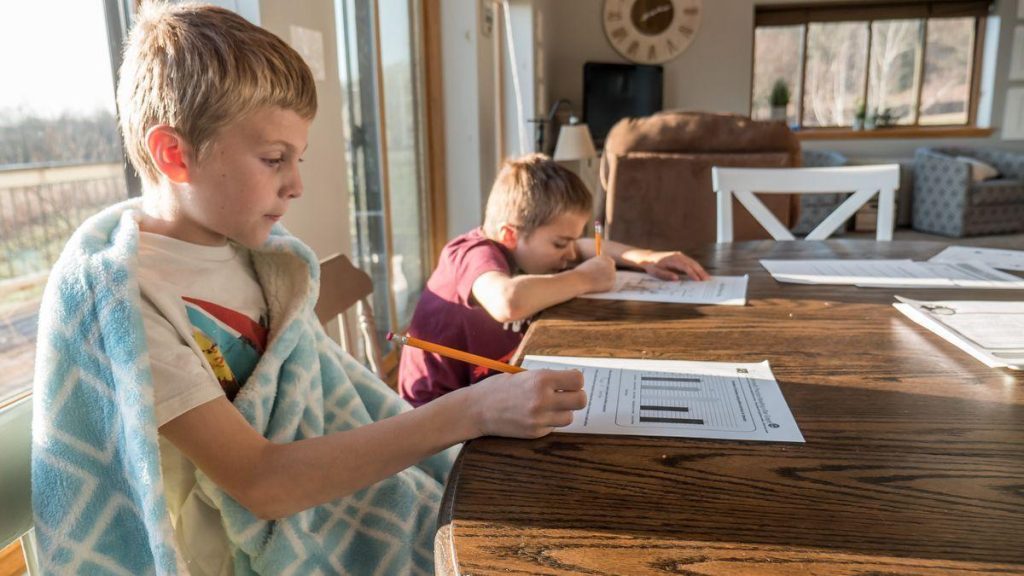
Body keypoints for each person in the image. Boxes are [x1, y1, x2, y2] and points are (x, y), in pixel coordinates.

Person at [31, 4, 584, 575]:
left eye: (297, 158)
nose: (295, 184)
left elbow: (314, 395)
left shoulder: (257, 257)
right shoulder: (127, 300)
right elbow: (262, 483)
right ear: (175, 154)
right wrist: (471, 410)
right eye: (274, 159)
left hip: (326, 505)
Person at [398, 154, 710, 406]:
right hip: (437, 419)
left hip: (488, 392)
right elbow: (508, 301)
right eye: (560, 243)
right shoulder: (470, 253)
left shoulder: (522, 248)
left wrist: (642, 257)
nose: (569, 253)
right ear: (510, 234)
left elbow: (582, 248)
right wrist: (583, 279)